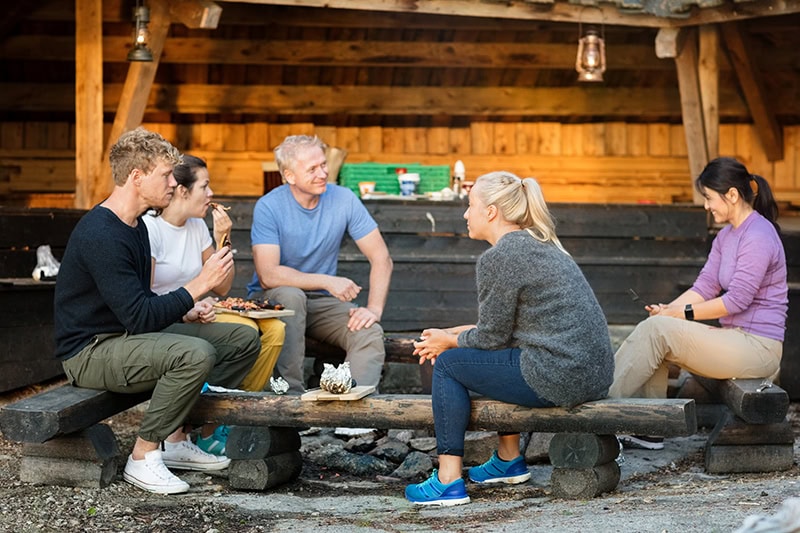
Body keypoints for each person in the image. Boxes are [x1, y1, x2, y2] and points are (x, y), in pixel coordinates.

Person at [54, 128, 260, 495]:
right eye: (165, 175)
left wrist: (185, 312)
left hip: (127, 337)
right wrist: (198, 285)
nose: (172, 182)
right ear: (137, 177)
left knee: (241, 338)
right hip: (89, 351)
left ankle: (177, 438)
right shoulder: (101, 233)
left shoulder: (134, 226)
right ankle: (144, 455)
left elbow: (142, 302)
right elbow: (138, 316)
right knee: (194, 354)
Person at [405, 171, 614, 506]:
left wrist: (449, 343)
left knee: (447, 365)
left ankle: (447, 481)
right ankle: (507, 460)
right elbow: (506, 328)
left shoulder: (501, 257)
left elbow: (491, 338)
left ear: (490, 212)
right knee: (492, 357)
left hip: (560, 375)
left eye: (470, 205)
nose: (465, 214)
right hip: (589, 375)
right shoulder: (538, 245)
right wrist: (453, 333)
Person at [610, 157, 787, 451]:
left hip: (759, 347)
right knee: (657, 326)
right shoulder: (726, 237)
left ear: (732, 194)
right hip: (734, 340)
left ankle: (593, 412)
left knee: (659, 331)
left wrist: (680, 314)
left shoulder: (758, 236)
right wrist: (669, 310)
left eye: (708, 197)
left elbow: (737, 300)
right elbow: (704, 287)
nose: (706, 206)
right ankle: (651, 428)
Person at [143, 154, 286, 455]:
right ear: (183, 191)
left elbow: (221, 286)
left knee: (274, 330)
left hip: (200, 312)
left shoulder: (196, 226)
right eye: (205, 186)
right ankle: (205, 424)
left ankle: (230, 418)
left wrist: (224, 237)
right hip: (166, 320)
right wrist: (186, 310)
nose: (211, 194)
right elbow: (144, 296)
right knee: (246, 333)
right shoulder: (151, 229)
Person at [248, 135, 393, 394]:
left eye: (324, 165)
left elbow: (381, 258)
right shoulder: (269, 206)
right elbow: (268, 275)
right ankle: (289, 401)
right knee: (292, 297)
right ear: (290, 176)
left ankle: (353, 416)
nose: (323, 173)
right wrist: (327, 281)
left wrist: (374, 309)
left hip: (319, 302)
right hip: (274, 301)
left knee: (368, 331)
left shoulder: (344, 199)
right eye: (312, 169)